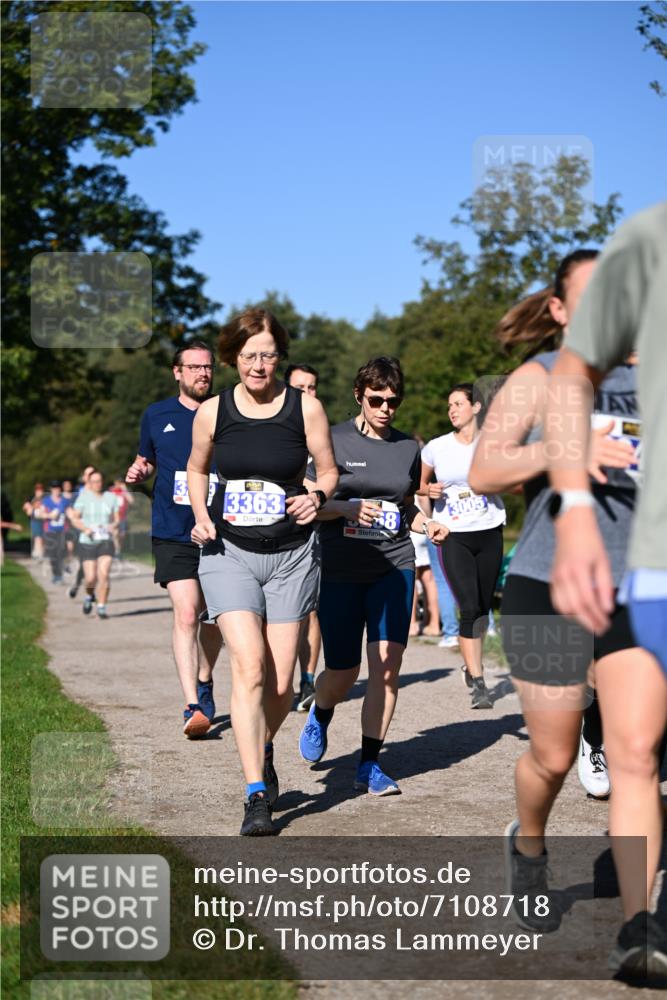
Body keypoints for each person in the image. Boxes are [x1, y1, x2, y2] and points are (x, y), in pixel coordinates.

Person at [470, 247, 664, 982]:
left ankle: (637, 932)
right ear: (557, 310)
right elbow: (486, 469)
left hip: (637, 590)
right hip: (547, 585)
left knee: (633, 757)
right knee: (552, 756)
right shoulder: (541, 376)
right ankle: (527, 845)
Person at [544, 205, 667, 979]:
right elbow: (566, 380)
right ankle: (639, 925)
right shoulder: (648, 236)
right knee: (630, 749)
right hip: (647, 568)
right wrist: (578, 513)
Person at [188, 309, 338, 836]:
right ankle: (256, 793)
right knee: (248, 665)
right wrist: (202, 517)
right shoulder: (212, 412)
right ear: (233, 357)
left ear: (280, 357)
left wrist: (317, 494)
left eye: (268, 354)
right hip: (228, 551)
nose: (258, 364)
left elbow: (329, 468)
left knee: (278, 681)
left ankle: (264, 741)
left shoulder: (306, 408)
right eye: (249, 354)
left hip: (293, 554)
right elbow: (196, 467)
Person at [298, 356, 447, 796]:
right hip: (341, 568)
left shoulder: (406, 448)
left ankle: (368, 763)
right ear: (359, 396)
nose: (386, 408)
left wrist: (427, 524)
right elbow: (310, 504)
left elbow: (402, 509)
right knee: (343, 671)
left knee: (387, 667)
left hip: (393, 565)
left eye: (394, 401)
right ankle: (321, 711)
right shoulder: (333, 441)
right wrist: (344, 507)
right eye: (377, 399)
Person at [126, 340, 223, 738]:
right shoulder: (156, 414)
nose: (203, 373)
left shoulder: (226, 412)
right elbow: (146, 461)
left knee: (214, 618)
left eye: (208, 367)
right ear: (177, 371)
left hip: (220, 530)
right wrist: (139, 472)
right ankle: (192, 704)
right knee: (186, 614)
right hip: (173, 529)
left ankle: (205, 674)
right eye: (195, 367)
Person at [420, 385, 506, 709]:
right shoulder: (436, 448)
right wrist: (430, 489)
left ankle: (470, 666)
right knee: (469, 606)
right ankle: (479, 681)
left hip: (489, 530)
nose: (452, 410)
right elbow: (420, 484)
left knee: (482, 608)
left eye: (458, 403)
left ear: (476, 407)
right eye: (449, 405)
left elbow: (510, 480)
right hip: (453, 533)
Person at [285, 363, 322, 712]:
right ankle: (275, 675)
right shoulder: (272, 430)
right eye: (300, 387)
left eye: (312, 387)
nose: (306, 394)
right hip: (275, 537)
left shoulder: (322, 433)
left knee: (311, 611)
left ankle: (308, 680)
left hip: (316, 534)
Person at [68, 469, 119, 618]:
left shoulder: (111, 497)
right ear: (89, 483)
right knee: (90, 578)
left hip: (105, 540)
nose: (98, 484)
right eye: (94, 481)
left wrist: (113, 525)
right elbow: (74, 519)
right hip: (88, 541)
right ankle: (89, 596)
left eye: (100, 481)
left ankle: (102, 606)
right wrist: (85, 529)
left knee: (103, 575)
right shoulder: (83, 498)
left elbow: (116, 519)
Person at [37, 480, 72, 584]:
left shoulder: (64, 501)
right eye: (54, 488)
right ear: (51, 489)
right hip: (50, 530)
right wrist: (49, 515)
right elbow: (40, 514)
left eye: (58, 488)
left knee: (61, 552)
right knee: (53, 554)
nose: (56, 490)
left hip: (62, 530)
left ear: (60, 489)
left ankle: (60, 574)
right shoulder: (46, 501)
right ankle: (56, 575)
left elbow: (70, 513)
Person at [109, 476, 134, 559]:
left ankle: (118, 550)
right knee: (115, 533)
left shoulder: (125, 491)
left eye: (119, 483)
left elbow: (131, 501)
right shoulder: (111, 490)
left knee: (122, 535)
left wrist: (124, 490)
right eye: (116, 483)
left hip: (123, 516)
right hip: (113, 517)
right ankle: (117, 552)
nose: (117, 484)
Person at [23, 483, 45, 561]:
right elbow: (26, 507)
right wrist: (31, 508)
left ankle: (38, 552)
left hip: (43, 520)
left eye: (40, 490)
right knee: (38, 537)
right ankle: (38, 553)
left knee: (41, 538)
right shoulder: (31, 498)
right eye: (37, 490)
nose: (39, 492)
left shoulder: (45, 498)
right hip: (35, 520)